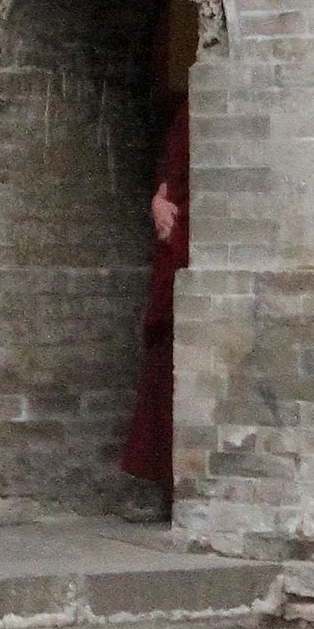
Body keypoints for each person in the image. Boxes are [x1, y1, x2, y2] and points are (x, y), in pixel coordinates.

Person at [119, 92, 189, 497]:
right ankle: (162, 482)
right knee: (164, 365)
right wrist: (160, 198)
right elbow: (171, 172)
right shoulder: (188, 112)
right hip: (179, 241)